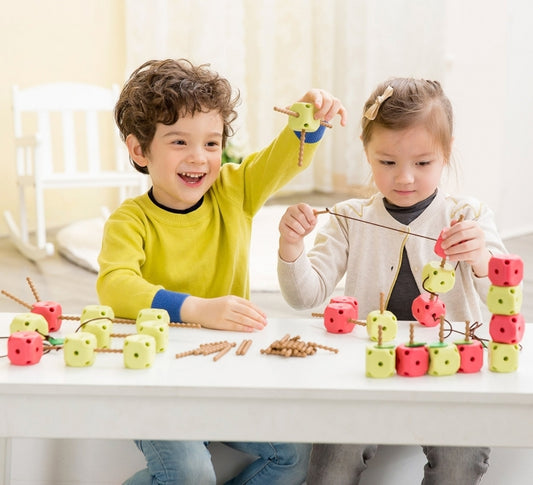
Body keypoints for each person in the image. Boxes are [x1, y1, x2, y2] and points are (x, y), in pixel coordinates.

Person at [96, 58, 347, 485]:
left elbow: (283, 159)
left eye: (212, 144)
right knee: (192, 473)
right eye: (178, 142)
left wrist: (307, 120)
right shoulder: (129, 220)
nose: (199, 158)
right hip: (156, 382)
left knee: (294, 455)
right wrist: (196, 308)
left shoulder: (235, 189)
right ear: (139, 149)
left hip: (226, 373)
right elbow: (116, 285)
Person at [277, 77, 506, 485]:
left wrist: (481, 259)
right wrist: (291, 247)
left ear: (446, 152)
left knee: (461, 461)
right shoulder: (350, 218)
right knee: (329, 469)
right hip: (363, 372)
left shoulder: (468, 216)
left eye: (422, 163)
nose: (404, 178)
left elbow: (502, 299)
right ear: (366, 153)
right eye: (387, 162)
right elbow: (304, 297)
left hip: (450, 371)